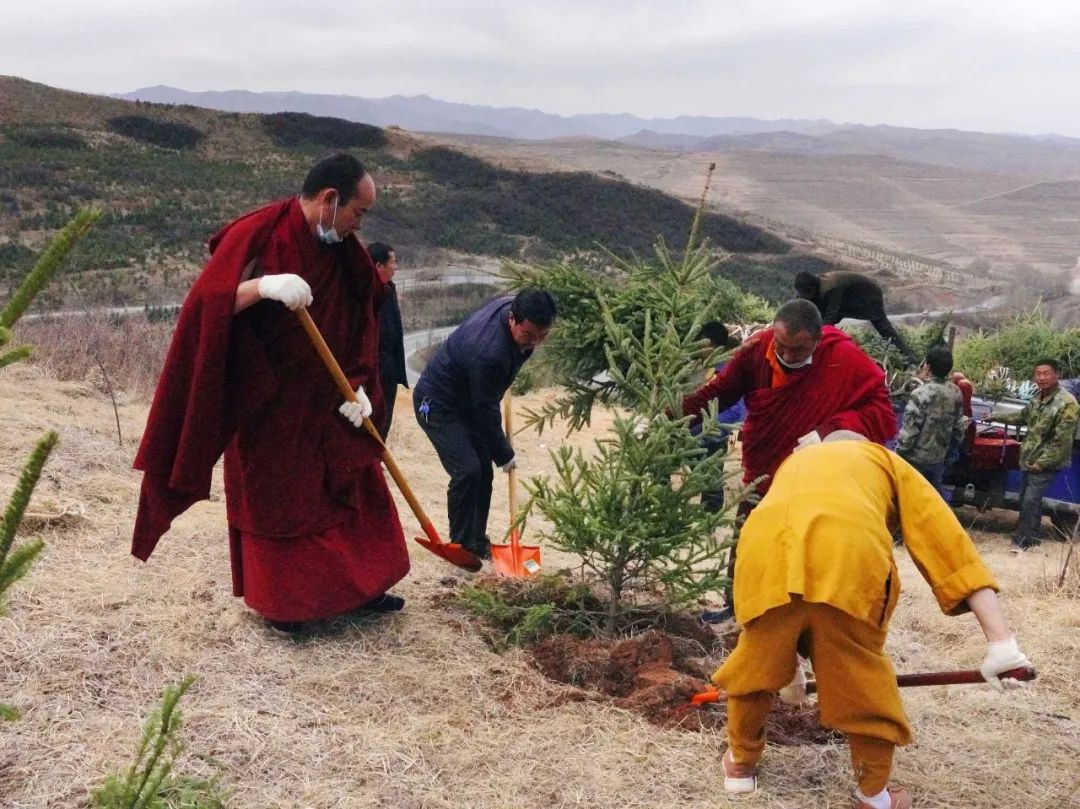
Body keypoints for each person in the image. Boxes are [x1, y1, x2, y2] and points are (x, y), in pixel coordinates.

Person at [132, 153, 410, 633]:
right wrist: (262, 287)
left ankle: (364, 589)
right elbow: (205, 306)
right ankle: (287, 607)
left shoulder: (346, 251)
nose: (358, 224)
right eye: (357, 212)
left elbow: (364, 315)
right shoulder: (259, 234)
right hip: (270, 404)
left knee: (354, 488)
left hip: (331, 400)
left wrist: (361, 387)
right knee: (282, 503)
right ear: (329, 200)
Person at [713, 431, 1032, 809]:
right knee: (861, 679)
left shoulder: (797, 463)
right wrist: (1002, 644)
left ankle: (740, 767)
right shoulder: (883, 460)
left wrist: (785, 668)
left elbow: (795, 560)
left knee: (757, 661)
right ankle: (873, 796)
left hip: (762, 552)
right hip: (848, 555)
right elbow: (947, 544)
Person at [682, 299, 896, 498]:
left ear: (817, 340)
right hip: (761, 470)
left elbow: (881, 409)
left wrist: (830, 431)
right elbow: (717, 394)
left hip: (813, 478)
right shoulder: (757, 348)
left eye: (798, 350)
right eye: (781, 345)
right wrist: (667, 418)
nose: (786, 356)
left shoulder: (841, 356)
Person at [413, 290, 557, 560]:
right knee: (468, 470)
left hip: (468, 400)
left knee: (483, 473)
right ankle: (461, 546)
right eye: (528, 336)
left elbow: (483, 404)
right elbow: (486, 410)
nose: (534, 343)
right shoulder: (489, 353)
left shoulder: (513, 308)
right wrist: (503, 453)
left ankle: (476, 541)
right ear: (512, 319)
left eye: (542, 336)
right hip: (436, 403)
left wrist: (496, 453)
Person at [1007, 359, 1079, 552]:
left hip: (1047, 462)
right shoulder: (1038, 397)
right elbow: (1022, 416)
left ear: (1057, 375)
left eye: (1046, 373)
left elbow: (1062, 441)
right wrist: (995, 416)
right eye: (1038, 373)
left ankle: (1021, 539)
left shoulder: (1067, 404)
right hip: (1030, 458)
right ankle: (1033, 536)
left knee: (1030, 499)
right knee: (1027, 499)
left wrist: (1042, 462)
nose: (1041, 377)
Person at [794, 270, 917, 364]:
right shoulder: (810, 288)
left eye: (806, 295)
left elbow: (829, 319)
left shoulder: (831, 288)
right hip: (847, 297)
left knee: (883, 327)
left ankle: (909, 358)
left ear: (813, 289)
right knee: (818, 321)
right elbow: (798, 306)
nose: (804, 297)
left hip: (867, 296)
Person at [894, 345, 965, 491]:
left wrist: (896, 454)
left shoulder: (920, 394)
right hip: (938, 460)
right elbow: (958, 429)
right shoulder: (955, 392)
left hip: (914, 462)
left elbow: (909, 433)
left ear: (928, 366)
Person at [693, 321, 746, 513]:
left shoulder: (728, 371)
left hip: (712, 438)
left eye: (701, 341)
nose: (697, 345)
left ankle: (709, 524)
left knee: (711, 485)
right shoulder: (699, 367)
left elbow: (735, 412)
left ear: (712, 344)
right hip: (689, 435)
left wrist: (703, 430)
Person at [368, 242, 408, 439]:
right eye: (393, 262)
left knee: (385, 419)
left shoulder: (389, 289)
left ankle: (377, 463)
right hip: (374, 368)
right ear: (379, 266)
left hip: (389, 369)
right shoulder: (366, 293)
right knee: (373, 419)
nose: (396, 267)